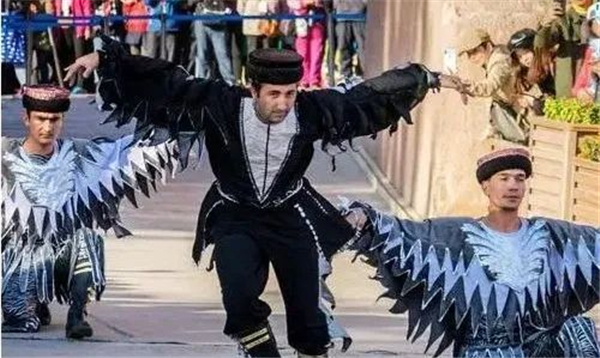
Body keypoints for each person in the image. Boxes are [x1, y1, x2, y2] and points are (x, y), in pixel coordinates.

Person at [63, 35, 461, 356]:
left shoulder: (310, 110)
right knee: (239, 302)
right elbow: (167, 82)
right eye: (274, 94)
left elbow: (365, 97)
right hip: (235, 214)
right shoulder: (220, 103)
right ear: (252, 88)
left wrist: (426, 78)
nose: (283, 103)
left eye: (290, 93)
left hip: (290, 214)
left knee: (308, 323)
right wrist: (106, 60)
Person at [344, 147, 600, 357]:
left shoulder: (549, 235)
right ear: (486, 186)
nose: (513, 186)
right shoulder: (457, 235)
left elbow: (593, 244)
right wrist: (366, 219)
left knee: (578, 329)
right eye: (504, 178)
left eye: (520, 179)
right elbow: (408, 234)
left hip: (538, 348)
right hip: (483, 350)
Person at [1, 85, 176, 338]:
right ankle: (35, 302)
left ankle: (77, 311)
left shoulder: (79, 154)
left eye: (54, 120)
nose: (47, 127)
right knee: (20, 319)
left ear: (62, 121)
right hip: (16, 256)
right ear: (26, 119)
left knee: (87, 239)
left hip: (64, 253)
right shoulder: (5, 153)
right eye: (40, 119)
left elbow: (126, 153)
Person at [456, 28, 529, 144]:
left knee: (519, 147)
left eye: (475, 51)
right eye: (469, 54)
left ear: (488, 46)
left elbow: (490, 86)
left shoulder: (499, 60)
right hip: (508, 109)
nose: (472, 57)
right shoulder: (495, 56)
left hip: (519, 110)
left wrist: (463, 86)